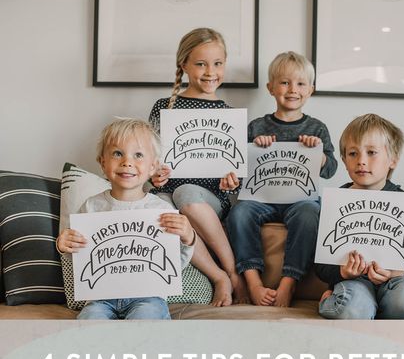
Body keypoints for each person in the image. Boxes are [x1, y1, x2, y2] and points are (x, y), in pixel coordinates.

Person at [225, 51, 337, 308]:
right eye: (285, 82)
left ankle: (288, 283)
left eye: (300, 84)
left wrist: (317, 152)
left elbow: (330, 169)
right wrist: (254, 146)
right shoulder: (256, 127)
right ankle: (253, 282)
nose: (292, 89)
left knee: (310, 212)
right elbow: (239, 169)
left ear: (311, 90)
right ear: (271, 88)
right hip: (261, 199)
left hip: (300, 200)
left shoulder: (317, 129)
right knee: (240, 213)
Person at [56, 118, 196, 319]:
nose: (127, 162)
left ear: (153, 167)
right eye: (117, 153)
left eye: (138, 155)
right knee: (89, 322)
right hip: (100, 298)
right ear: (103, 163)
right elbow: (81, 257)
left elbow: (175, 263)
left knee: (146, 320)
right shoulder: (91, 207)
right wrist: (64, 245)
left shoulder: (161, 209)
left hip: (149, 297)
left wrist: (188, 237)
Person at [149, 27, 247, 306]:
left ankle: (232, 270)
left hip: (209, 200)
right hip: (169, 194)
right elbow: (152, 161)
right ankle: (219, 277)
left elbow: (233, 173)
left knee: (186, 194)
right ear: (184, 65)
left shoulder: (229, 115)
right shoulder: (163, 107)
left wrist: (231, 181)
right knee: (162, 209)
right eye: (201, 64)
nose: (210, 71)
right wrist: (155, 175)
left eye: (218, 63)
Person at [316, 113, 404, 319]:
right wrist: (342, 273)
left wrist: (397, 272)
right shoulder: (335, 203)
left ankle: (376, 313)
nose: (361, 161)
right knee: (353, 308)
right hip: (355, 283)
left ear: (392, 160)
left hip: (394, 282)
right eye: (353, 153)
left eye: (371, 152)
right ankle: (335, 303)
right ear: (343, 160)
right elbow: (321, 266)